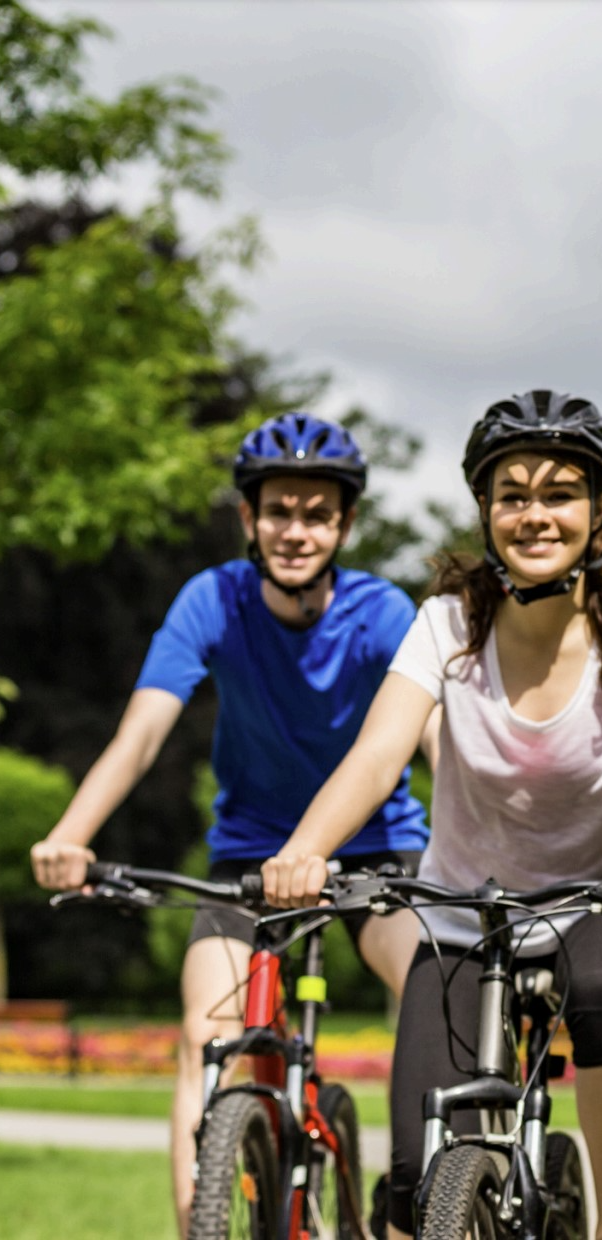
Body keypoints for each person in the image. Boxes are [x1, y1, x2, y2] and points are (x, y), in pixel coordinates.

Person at [262, 390, 602, 1240]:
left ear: (599, 511)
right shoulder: (445, 624)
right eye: (512, 494)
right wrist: (302, 852)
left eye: (558, 494)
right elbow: (375, 758)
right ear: (486, 511)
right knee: (412, 1184)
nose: (534, 514)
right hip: (463, 910)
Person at [30, 411, 431, 1238]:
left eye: (317, 513)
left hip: (378, 850)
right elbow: (142, 732)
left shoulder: (381, 609)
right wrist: (72, 834)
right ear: (248, 517)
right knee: (204, 1035)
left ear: (345, 524)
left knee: (433, 990)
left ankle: (416, 1201)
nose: (296, 530)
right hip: (249, 856)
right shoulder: (211, 599)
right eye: (278, 509)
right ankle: (201, 1226)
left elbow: (436, 738)